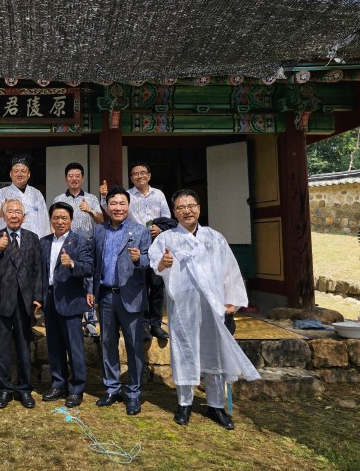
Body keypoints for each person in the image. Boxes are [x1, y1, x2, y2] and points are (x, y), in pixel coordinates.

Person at [149, 189, 260, 429]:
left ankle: (216, 405)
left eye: (191, 206)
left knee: (214, 353)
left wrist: (231, 301)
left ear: (199, 208)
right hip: (183, 307)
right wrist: (163, 263)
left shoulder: (214, 238)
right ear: (174, 212)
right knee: (184, 351)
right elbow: (155, 266)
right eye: (181, 207)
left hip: (213, 306)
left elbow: (229, 270)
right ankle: (184, 403)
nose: (186, 211)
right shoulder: (167, 239)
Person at [92, 186, 151, 416]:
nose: (117, 208)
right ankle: (112, 388)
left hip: (131, 296)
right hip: (106, 295)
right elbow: (94, 263)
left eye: (122, 203)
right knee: (108, 343)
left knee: (134, 346)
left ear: (128, 206)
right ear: (107, 207)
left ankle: (134, 393)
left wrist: (138, 259)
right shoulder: (99, 231)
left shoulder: (140, 231)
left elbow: (150, 261)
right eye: (113, 203)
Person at [101, 163, 171, 340]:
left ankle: (156, 323)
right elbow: (113, 210)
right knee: (141, 283)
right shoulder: (127, 196)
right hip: (136, 243)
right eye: (135, 174)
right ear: (131, 178)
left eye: (143, 173)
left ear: (149, 175)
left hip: (156, 242)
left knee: (156, 284)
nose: (140, 176)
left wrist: (160, 230)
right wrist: (103, 196)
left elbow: (167, 217)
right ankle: (144, 324)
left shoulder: (158, 194)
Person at [0, 199, 43, 409]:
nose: (14, 215)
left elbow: (38, 269)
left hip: (24, 299)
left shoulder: (32, 238)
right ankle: (4, 389)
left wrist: (38, 297)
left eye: (18, 212)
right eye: (10, 212)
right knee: (1, 346)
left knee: (23, 346)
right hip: (1, 298)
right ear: (3, 215)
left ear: (24, 217)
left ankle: (24, 388)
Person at [40, 202, 94, 408]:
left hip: (71, 299)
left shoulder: (80, 241)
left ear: (71, 220)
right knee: (54, 345)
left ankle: (77, 388)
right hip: (49, 298)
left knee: (74, 346)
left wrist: (72, 264)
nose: (60, 221)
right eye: (56, 218)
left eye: (64, 218)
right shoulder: (44, 242)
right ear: (51, 220)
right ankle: (58, 384)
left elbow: (88, 267)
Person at [53, 162, 103, 340]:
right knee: (68, 279)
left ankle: (90, 320)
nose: (74, 179)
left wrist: (90, 210)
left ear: (82, 178)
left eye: (77, 176)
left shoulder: (91, 198)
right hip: (66, 245)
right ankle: (70, 314)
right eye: (70, 176)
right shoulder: (59, 199)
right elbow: (55, 222)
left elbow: (101, 220)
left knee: (88, 280)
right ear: (66, 178)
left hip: (86, 244)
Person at [0, 156, 51, 237]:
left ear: (28, 174)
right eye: (16, 171)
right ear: (11, 174)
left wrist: (44, 239)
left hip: (34, 238)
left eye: (23, 171)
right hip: (11, 238)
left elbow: (44, 219)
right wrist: (1, 211)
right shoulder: (1, 193)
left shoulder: (36, 193)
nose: (19, 174)